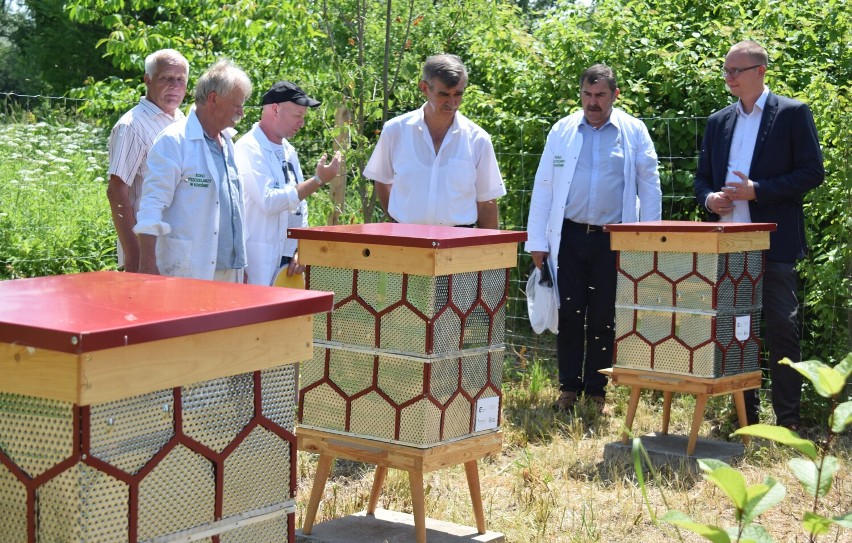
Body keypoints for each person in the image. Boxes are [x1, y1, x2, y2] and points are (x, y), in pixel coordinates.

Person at [694, 40, 824, 431]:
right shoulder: (719, 121)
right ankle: (746, 417)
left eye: (737, 70)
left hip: (774, 243)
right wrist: (710, 199)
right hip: (727, 244)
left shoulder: (792, 113)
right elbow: (701, 180)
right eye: (726, 70)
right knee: (735, 330)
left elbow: (812, 173)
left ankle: (788, 421)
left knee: (782, 329)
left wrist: (758, 190)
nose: (729, 77)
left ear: (760, 71)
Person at [526, 64, 662, 414]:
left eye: (600, 95)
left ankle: (598, 391)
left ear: (616, 95)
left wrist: (648, 238)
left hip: (611, 239)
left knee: (604, 316)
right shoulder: (563, 130)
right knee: (568, 312)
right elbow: (544, 184)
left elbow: (649, 185)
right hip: (568, 235)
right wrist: (537, 241)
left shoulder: (633, 131)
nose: (593, 102)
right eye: (587, 94)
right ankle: (568, 388)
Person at [134, 59, 253, 282]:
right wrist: (147, 264)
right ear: (213, 99)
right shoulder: (174, 141)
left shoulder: (228, 143)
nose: (242, 112)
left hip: (230, 270)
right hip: (189, 270)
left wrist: (240, 263)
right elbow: (151, 204)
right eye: (237, 104)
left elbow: (234, 209)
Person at [363, 54, 506, 228]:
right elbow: (382, 181)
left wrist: (488, 253)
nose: (452, 103)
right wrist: (397, 220)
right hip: (405, 241)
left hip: (458, 244)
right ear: (424, 88)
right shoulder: (395, 130)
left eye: (458, 94)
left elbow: (487, 203)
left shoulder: (478, 140)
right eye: (444, 94)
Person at [234, 81, 341, 286]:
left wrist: (301, 248)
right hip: (258, 262)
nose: (302, 123)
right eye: (298, 116)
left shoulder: (288, 150)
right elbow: (269, 202)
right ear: (275, 109)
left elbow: (301, 205)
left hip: (288, 263)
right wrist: (317, 181)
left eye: (303, 117)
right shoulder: (249, 148)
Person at [107, 49, 189, 272]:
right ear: (148, 79)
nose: (174, 85)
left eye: (180, 79)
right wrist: (136, 256)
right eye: (166, 78)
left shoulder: (184, 122)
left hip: (178, 249)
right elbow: (116, 191)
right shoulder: (132, 126)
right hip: (147, 253)